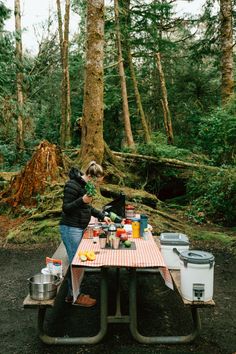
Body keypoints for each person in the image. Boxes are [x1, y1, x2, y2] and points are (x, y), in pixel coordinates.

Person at [60, 161, 111, 307]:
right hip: (70, 228)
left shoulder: (84, 185)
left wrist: (102, 216)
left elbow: (87, 207)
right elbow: (66, 208)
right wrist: (81, 200)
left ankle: (72, 294)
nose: (96, 184)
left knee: (77, 263)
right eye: (96, 180)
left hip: (78, 228)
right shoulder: (72, 185)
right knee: (76, 263)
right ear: (90, 175)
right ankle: (75, 297)